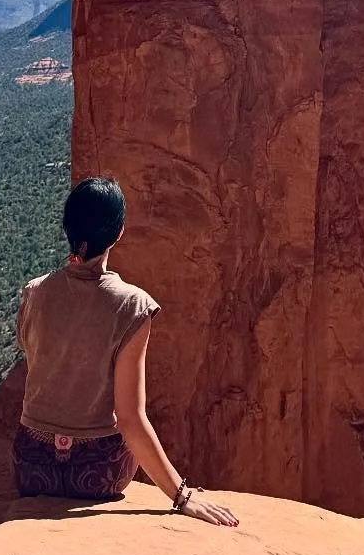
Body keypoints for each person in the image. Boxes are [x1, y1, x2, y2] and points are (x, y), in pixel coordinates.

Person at [14, 175, 239, 526]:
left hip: (32, 467)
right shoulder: (133, 306)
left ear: (68, 228)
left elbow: (37, 360)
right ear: (118, 233)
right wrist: (182, 496)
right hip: (97, 473)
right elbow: (130, 418)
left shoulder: (34, 293)